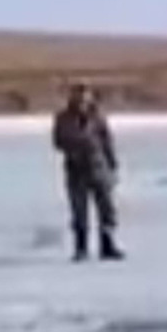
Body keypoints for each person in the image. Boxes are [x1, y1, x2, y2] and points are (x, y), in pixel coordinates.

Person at [52, 84, 124, 262]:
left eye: (85, 97)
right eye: (78, 97)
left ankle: (107, 245)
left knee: (107, 208)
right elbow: (58, 141)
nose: (82, 101)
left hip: (98, 167)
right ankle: (81, 247)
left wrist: (112, 165)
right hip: (76, 170)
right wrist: (73, 148)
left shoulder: (97, 117)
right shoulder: (63, 118)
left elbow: (107, 141)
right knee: (79, 211)